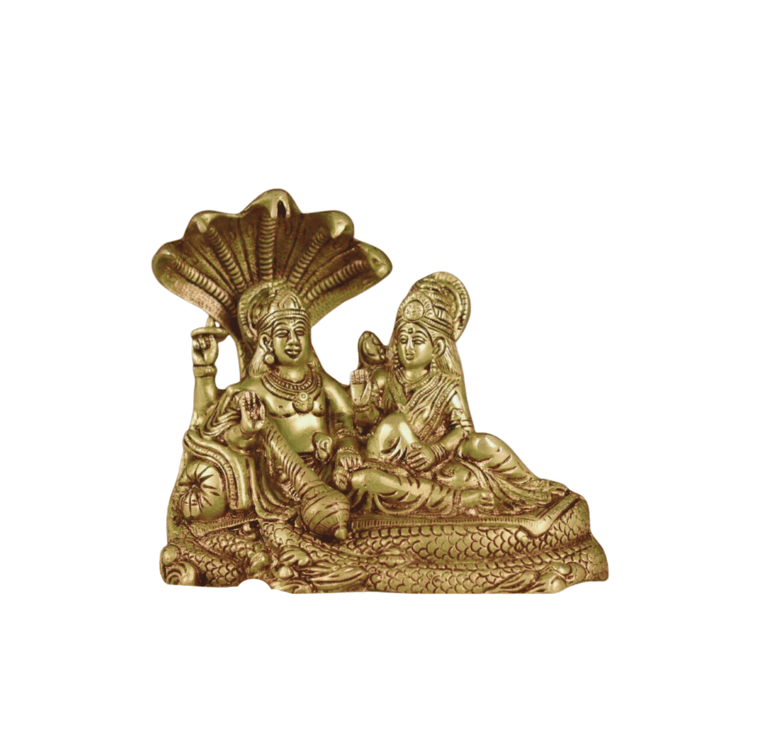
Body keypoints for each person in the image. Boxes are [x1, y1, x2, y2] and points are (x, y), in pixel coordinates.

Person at [349, 272, 571, 516]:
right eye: (403, 340)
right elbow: (366, 428)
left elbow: (463, 430)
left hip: (438, 462)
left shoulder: (446, 384)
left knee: (483, 444)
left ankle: (531, 486)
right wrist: (361, 406)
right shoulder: (384, 378)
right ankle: (452, 498)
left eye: (417, 340)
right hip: (395, 465)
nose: (408, 348)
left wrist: (435, 452)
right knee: (385, 445)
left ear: (437, 347)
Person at [198, 280, 363, 537]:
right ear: (266, 341)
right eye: (283, 334)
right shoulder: (252, 388)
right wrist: (246, 429)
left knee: (369, 479)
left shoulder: (322, 382)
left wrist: (345, 448)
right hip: (282, 483)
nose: (293, 340)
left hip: (331, 473)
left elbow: (346, 418)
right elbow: (218, 434)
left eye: (300, 332)